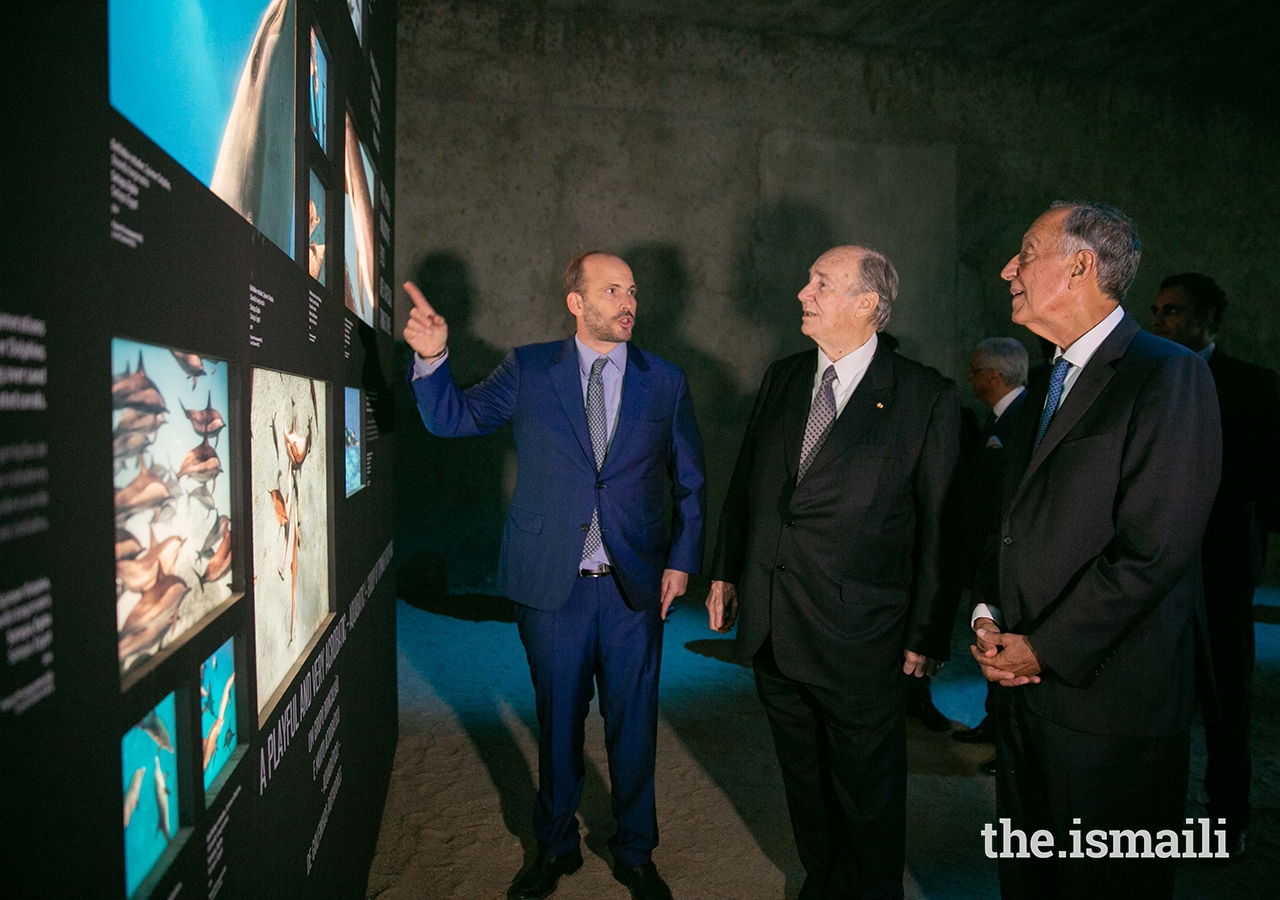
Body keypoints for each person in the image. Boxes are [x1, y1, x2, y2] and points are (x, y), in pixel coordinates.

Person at [404, 251, 707, 900]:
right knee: (558, 724)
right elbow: (452, 419)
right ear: (576, 301)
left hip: (634, 588)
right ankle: (555, 848)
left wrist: (682, 560)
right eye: (611, 290)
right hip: (552, 588)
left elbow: (691, 481)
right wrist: (432, 359)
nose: (628, 301)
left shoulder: (666, 381)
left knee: (634, 727)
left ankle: (636, 852)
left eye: (632, 290)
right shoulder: (529, 369)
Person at [972, 202, 1221, 899]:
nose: (1007, 270)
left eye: (1024, 252)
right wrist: (988, 616)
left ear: (1080, 265)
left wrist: (1042, 647)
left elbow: (1156, 549)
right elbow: (1012, 527)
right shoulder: (1045, 385)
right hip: (1023, 699)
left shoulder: (1167, 375)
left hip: (1111, 711)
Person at [706, 245, 961, 899]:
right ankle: (823, 881)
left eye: (821, 282)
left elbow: (939, 528)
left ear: (867, 304)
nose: (803, 292)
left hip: (861, 635)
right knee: (803, 775)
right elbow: (749, 486)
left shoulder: (924, 397)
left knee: (867, 786)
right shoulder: (786, 377)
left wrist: (928, 632)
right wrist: (725, 571)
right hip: (772, 623)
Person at [1150, 272, 1280, 855]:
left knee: (1227, 695)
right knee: (1158, 693)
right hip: (1155, 561)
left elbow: (1265, 472)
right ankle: (1153, 814)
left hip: (1221, 562)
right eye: (1156, 310)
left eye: (1174, 312)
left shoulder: (1251, 385)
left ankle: (1227, 816)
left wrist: (1191, 486)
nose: (1161, 322)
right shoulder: (1147, 374)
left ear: (1209, 319)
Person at [953, 337, 1029, 772]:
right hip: (987, 557)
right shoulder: (1000, 418)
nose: (971, 379)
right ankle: (992, 722)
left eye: (977, 371)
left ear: (996, 376)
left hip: (1002, 557)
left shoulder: (1021, 420)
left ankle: (1009, 742)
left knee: (1004, 647)